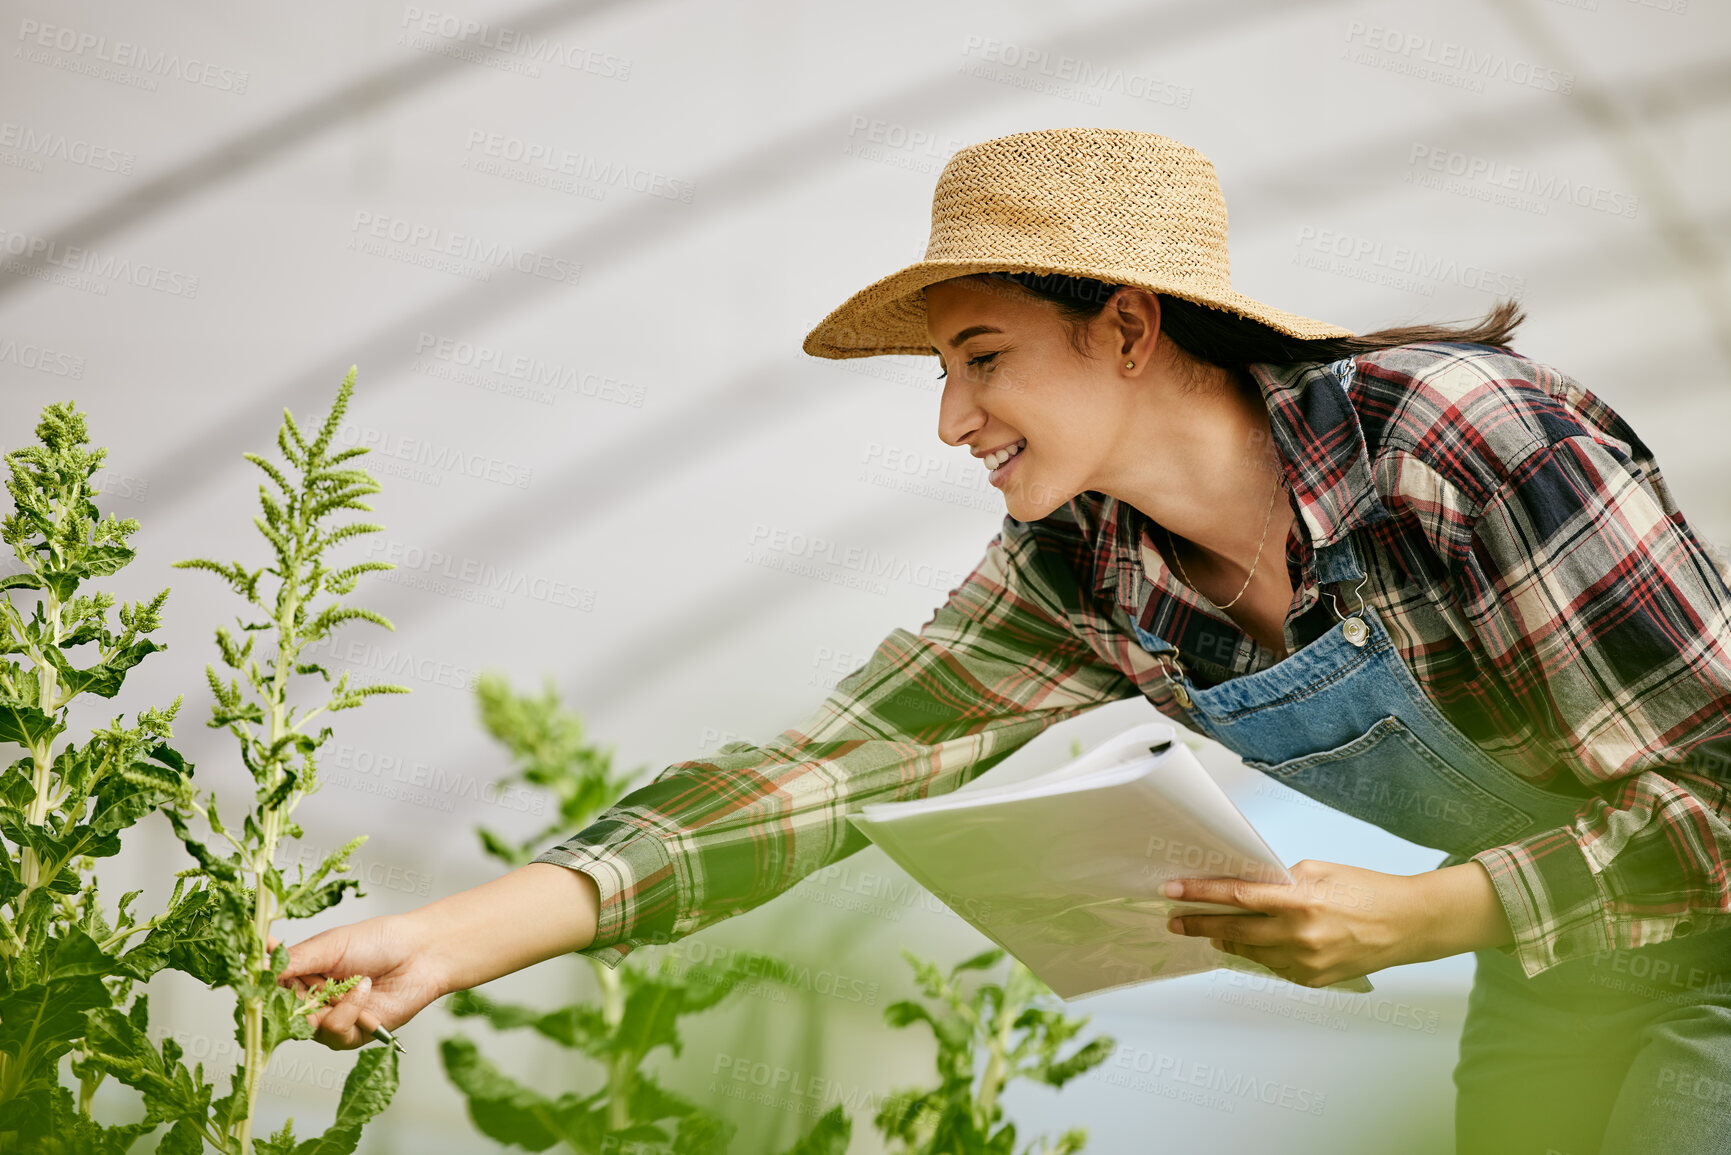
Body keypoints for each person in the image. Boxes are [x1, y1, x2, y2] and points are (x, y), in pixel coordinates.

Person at [281, 128, 1731, 1154]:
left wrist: (1436, 913)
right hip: (1568, 967)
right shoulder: (1084, 567)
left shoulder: (1453, 442)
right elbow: (823, 776)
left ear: (1124, 328)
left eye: (984, 360)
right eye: (942, 372)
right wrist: (452, 939)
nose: (949, 420)